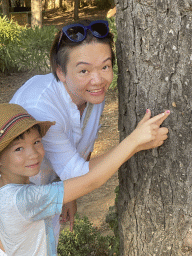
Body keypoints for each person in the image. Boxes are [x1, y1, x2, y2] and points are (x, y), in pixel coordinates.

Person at [10, 19, 170, 243]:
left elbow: (84, 145)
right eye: (84, 70)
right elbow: (79, 175)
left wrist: (69, 196)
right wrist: (134, 142)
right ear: (61, 72)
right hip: (16, 209)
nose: (98, 80)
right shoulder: (41, 108)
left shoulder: (91, 92)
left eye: (105, 66)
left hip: (50, 196)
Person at [0, 103, 169, 255]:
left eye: (36, 142)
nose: (33, 154)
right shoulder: (22, 200)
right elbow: (91, 180)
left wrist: (137, 145)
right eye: (18, 149)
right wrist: (134, 140)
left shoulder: (8, 192)